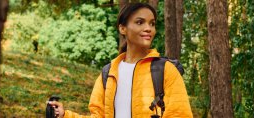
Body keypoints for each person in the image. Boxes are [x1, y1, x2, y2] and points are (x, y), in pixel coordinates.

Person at [48, 3, 193, 118]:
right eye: (140, 22)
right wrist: (65, 115)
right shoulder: (108, 73)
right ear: (123, 28)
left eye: (152, 23)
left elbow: (180, 114)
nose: (148, 28)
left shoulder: (166, 70)